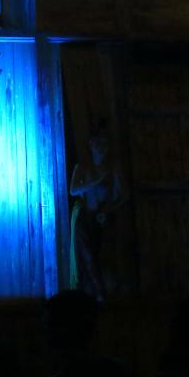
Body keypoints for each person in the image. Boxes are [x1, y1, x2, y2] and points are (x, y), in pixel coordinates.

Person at [69, 120, 123, 301]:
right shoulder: (82, 168)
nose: (101, 148)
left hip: (102, 219)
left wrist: (107, 210)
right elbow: (73, 190)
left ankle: (101, 294)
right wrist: (94, 181)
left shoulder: (112, 169)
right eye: (98, 143)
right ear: (91, 144)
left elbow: (122, 195)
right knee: (87, 257)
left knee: (102, 257)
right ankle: (96, 294)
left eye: (104, 144)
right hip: (86, 217)